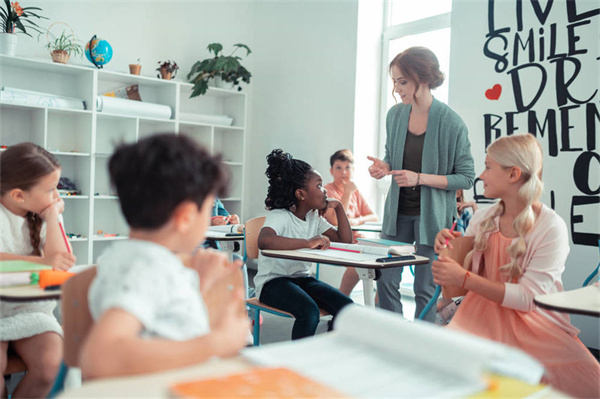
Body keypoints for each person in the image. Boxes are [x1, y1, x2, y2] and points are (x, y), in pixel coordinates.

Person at [433, 134, 600, 398]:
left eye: (488, 167)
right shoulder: (483, 217)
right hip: (479, 318)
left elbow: (527, 299)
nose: (481, 175)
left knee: (591, 383)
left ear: (513, 174)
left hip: (538, 326)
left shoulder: (550, 227)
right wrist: (449, 250)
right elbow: (454, 290)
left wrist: (464, 277)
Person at [80, 134, 249, 379]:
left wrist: (200, 284)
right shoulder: (147, 267)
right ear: (186, 217)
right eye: (209, 206)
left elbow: (161, 323)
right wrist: (218, 341)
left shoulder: (133, 257)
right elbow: (100, 357)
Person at [367, 46, 475, 321]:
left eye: (402, 81)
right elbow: (392, 158)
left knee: (425, 288)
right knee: (386, 280)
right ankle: (393, 337)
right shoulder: (395, 116)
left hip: (433, 218)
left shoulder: (452, 122)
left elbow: (465, 177)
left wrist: (419, 178)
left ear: (423, 79)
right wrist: (384, 167)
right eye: (394, 81)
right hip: (397, 212)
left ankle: (420, 343)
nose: (396, 88)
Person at [0, 143, 76, 398]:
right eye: (51, 189)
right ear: (19, 195)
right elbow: (50, 264)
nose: (58, 196)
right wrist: (42, 264)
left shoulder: (46, 210)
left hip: (31, 308)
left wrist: (53, 216)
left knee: (51, 367)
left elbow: (61, 263)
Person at [255, 149, 354, 340]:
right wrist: (308, 243)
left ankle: (330, 348)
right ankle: (299, 361)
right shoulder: (280, 215)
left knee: (346, 308)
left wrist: (339, 207)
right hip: (272, 283)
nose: (324, 190)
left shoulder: (313, 218)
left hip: (301, 279)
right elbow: (264, 240)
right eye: (318, 186)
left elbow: (344, 240)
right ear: (301, 194)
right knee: (309, 311)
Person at [323, 149, 378, 296]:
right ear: (331, 171)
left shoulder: (356, 192)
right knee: (360, 260)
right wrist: (346, 192)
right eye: (339, 168)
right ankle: (342, 298)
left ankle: (379, 303)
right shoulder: (327, 191)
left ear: (353, 170)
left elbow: (373, 217)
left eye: (347, 168)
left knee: (383, 259)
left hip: (359, 241)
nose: (344, 172)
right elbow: (335, 220)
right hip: (339, 242)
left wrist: (357, 220)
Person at [435, 189, 479, 325]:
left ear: (458, 194)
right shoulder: (440, 214)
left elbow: (477, 228)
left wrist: (473, 206)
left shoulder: (463, 216)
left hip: (460, 261)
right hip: (446, 260)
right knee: (440, 308)